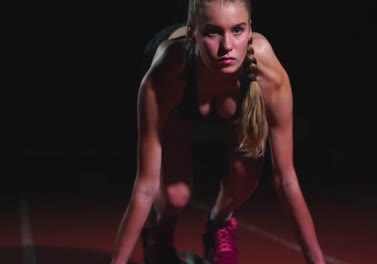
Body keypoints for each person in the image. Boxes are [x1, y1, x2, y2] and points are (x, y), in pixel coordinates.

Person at [110, 0, 326, 263]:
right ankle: (162, 225)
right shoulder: (166, 74)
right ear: (193, 33)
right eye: (213, 32)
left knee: (246, 175)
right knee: (177, 195)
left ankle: (219, 222)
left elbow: (286, 180)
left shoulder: (269, 76)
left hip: (236, 94)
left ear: (250, 30)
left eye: (237, 30)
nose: (227, 46)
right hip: (183, 93)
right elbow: (145, 185)